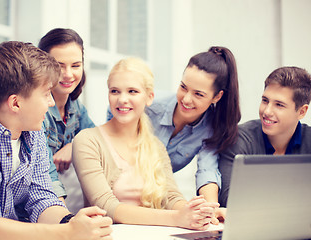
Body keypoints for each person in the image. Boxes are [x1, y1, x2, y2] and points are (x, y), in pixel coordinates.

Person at [0, 41, 112, 240]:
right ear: (15, 103)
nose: (52, 102)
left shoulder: (32, 130)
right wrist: (65, 233)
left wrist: (72, 222)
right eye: (46, 94)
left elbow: (42, 197)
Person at [72, 57, 219, 230]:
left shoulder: (156, 146)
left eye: (132, 91)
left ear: (149, 97)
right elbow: (106, 206)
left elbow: (171, 197)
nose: (122, 99)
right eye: (115, 91)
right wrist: (176, 218)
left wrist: (196, 212)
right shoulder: (87, 141)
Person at [106, 46, 240, 221]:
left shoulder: (212, 126)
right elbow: (113, 115)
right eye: (183, 87)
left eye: (198, 94)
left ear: (216, 97)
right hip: (119, 197)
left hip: (158, 201)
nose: (186, 99)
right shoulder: (148, 104)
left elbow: (207, 170)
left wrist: (210, 209)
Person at [218, 66, 311, 207]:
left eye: (279, 105)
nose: (267, 111)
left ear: (302, 112)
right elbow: (229, 200)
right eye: (265, 100)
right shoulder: (238, 139)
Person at [38, 28, 94, 213]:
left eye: (76, 65)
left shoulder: (76, 108)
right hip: (43, 207)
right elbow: (46, 173)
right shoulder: (38, 112)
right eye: (59, 66)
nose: (68, 74)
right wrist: (65, 220)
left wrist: (74, 145)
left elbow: (98, 137)